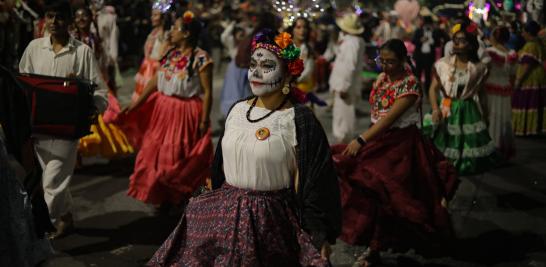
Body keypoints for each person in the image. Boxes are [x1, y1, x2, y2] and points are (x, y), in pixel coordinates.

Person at [148, 29, 341, 267]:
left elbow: (316, 181)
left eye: (267, 66)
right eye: (253, 64)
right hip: (223, 219)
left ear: (289, 75)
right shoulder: (237, 110)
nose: (256, 72)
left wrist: (317, 232)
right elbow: (219, 168)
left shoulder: (299, 119)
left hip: (271, 225)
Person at [331, 39, 458, 267]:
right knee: (376, 194)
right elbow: (377, 114)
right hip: (379, 141)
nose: (385, 66)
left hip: (400, 146)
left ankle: (375, 249)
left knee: (389, 195)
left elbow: (389, 119)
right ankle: (374, 248)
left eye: (391, 62)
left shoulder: (410, 85)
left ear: (403, 60)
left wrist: (361, 139)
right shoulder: (382, 79)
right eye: (382, 61)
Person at [18, 0, 109, 239]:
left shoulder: (82, 52)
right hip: (38, 129)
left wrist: (90, 108)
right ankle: (66, 218)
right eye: (50, 16)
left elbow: (100, 91)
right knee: (53, 179)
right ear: (44, 20)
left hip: (67, 132)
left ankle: (35, 234)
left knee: (51, 183)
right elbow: (22, 86)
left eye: (59, 17)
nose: (54, 22)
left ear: (68, 22)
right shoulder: (34, 48)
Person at [122, 11, 213, 208]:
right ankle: (160, 193)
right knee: (153, 152)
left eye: (176, 28)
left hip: (185, 113)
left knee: (177, 155)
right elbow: (156, 80)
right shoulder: (169, 54)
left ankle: (177, 197)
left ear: (187, 33)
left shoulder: (201, 58)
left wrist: (204, 120)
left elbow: (207, 92)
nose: (171, 31)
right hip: (162, 110)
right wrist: (136, 103)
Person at [424, 23, 499, 175]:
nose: (457, 43)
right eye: (455, 39)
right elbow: (433, 89)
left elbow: (482, 93)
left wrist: (485, 114)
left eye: (462, 40)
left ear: (471, 45)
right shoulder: (443, 65)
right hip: (447, 106)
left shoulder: (478, 68)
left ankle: (463, 167)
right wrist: (435, 108)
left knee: (467, 143)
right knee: (445, 140)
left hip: (468, 108)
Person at [73, 7, 134, 160]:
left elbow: (102, 63)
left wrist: (105, 82)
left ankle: (109, 150)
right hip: (77, 85)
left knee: (106, 117)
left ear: (90, 18)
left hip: (96, 83)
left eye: (84, 16)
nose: (81, 20)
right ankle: (77, 155)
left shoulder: (95, 39)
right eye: (78, 17)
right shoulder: (72, 40)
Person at [219, 11, 279, 118]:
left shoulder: (254, 34)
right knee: (244, 99)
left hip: (242, 68)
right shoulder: (263, 35)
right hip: (244, 69)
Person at [329, 13, 366, 143]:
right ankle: (343, 141)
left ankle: (343, 144)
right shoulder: (353, 41)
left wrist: (344, 86)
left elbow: (349, 67)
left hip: (345, 86)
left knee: (343, 118)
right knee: (341, 116)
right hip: (343, 84)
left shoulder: (352, 43)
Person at [483, 26, 517, 158]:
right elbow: (513, 76)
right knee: (504, 118)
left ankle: (492, 149)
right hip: (506, 88)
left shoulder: (489, 51)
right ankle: (503, 149)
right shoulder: (512, 54)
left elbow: (484, 72)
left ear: (494, 37)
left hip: (491, 87)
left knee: (491, 117)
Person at [512, 20, 546, 136]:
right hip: (537, 77)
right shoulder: (537, 43)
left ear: (528, 32)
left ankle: (527, 129)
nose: (522, 34)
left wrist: (518, 81)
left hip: (530, 78)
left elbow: (527, 66)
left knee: (527, 101)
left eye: (524, 32)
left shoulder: (531, 45)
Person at [132, 4, 168, 102]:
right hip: (147, 67)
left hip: (155, 69)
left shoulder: (165, 35)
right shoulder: (153, 32)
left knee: (152, 97)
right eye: (152, 15)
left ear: (163, 18)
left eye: (156, 15)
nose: (152, 18)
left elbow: (162, 55)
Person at [290, 17, 316, 94]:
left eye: (305, 27)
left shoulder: (309, 48)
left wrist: (295, 81)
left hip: (303, 89)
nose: (302, 30)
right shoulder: (286, 47)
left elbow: (308, 70)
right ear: (293, 29)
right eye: (298, 27)